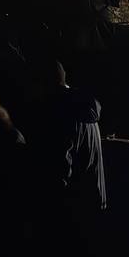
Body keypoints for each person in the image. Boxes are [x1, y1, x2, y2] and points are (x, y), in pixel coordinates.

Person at [28, 59, 107, 210]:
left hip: (72, 206)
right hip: (92, 199)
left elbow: (60, 166)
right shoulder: (83, 105)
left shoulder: (61, 112)